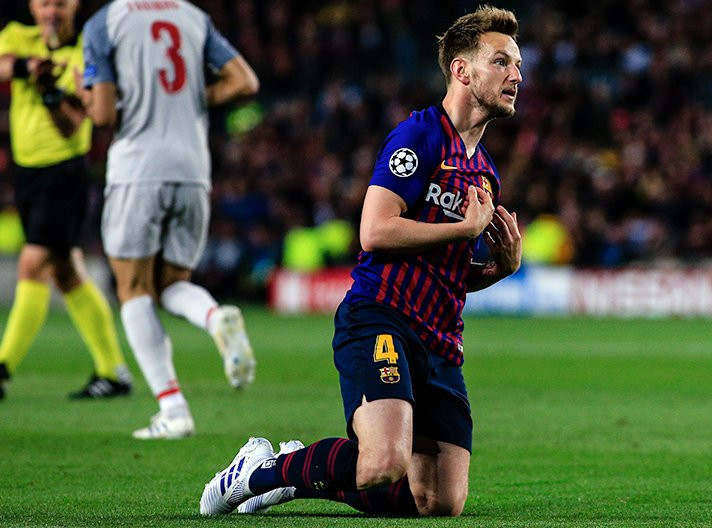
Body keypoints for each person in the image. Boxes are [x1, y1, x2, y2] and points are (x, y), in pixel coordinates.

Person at [200, 4, 523, 518]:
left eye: (518, 65)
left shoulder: (484, 174)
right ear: (463, 71)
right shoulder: (419, 137)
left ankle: (299, 468)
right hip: (381, 317)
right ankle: (258, 473)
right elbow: (374, 231)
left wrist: (496, 271)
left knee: (440, 501)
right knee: (380, 464)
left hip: (440, 339)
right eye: (502, 62)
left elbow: (446, 274)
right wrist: (463, 228)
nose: (517, 75)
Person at [79, 0, 260, 439]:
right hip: (192, 170)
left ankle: (173, 409)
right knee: (170, 282)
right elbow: (245, 81)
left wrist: (84, 95)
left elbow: (102, 114)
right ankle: (215, 318)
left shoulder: (106, 22)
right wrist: (194, 100)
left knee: (132, 287)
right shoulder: (193, 17)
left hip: (137, 170)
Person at [0, 0, 133, 401]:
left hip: (64, 172)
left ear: (74, 6)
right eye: (44, 3)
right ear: (33, 7)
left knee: (33, 262)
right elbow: (3, 64)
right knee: (67, 273)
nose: (51, 11)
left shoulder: (86, 51)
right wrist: (30, 69)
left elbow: (74, 123)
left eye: (59, 3)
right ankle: (113, 371)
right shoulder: (17, 36)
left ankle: (2, 367)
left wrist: (51, 96)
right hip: (27, 174)